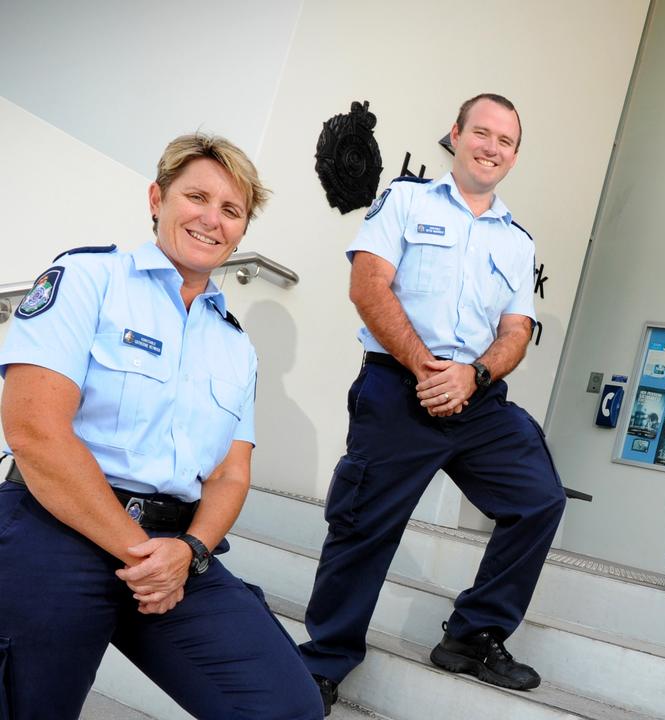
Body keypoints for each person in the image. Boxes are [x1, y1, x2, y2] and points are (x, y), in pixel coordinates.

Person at [0, 133, 323, 719]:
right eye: (197, 196)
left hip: (176, 550)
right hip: (58, 526)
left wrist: (191, 550)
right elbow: (35, 432)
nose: (212, 219)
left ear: (242, 231)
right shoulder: (88, 278)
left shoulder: (235, 346)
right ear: (157, 197)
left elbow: (229, 472)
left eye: (232, 210)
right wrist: (145, 554)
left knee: (286, 707)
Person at [299, 93, 565, 714]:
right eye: (482, 132)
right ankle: (324, 661)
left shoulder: (518, 242)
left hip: (477, 397)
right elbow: (368, 284)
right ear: (457, 134)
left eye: (505, 141)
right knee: (363, 527)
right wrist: (426, 368)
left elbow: (517, 331)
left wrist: (471, 376)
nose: (492, 147)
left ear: (515, 156)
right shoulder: (406, 200)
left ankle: (473, 635)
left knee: (538, 499)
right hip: (399, 387)